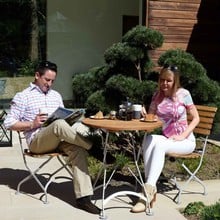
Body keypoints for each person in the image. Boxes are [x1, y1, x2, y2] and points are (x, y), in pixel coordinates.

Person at [3, 61, 111, 215]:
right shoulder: (23, 96)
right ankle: (94, 149)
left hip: (59, 139)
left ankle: (84, 199)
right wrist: (31, 123)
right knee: (59, 124)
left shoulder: (56, 95)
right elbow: (9, 123)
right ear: (37, 75)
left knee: (77, 148)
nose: (50, 84)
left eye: (53, 81)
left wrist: (71, 119)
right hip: (37, 141)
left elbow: (64, 121)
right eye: (47, 80)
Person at [131, 64, 200, 213]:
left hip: (186, 141)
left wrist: (183, 135)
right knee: (149, 140)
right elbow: (152, 118)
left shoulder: (184, 94)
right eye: (162, 80)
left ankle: (146, 194)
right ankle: (150, 189)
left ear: (175, 81)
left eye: (168, 81)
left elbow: (196, 118)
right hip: (169, 139)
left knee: (159, 145)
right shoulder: (157, 95)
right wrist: (146, 116)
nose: (164, 84)